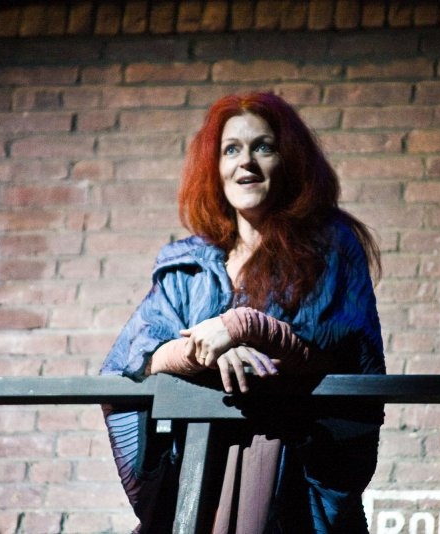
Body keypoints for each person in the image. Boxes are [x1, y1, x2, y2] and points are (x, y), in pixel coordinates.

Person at [100, 92, 385, 533]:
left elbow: (328, 345)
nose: (245, 162)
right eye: (231, 150)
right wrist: (204, 352)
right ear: (213, 167)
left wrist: (240, 326)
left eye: (263, 147)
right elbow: (135, 359)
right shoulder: (189, 264)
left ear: (289, 161)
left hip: (288, 472)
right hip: (199, 471)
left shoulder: (330, 244)